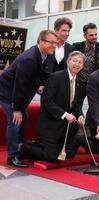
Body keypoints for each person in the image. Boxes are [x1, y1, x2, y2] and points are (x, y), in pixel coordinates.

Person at [0, 30, 58, 167]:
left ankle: (20, 150)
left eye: (55, 42)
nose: (54, 45)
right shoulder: (29, 58)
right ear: (41, 42)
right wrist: (16, 109)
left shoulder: (47, 54)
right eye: (51, 42)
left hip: (19, 92)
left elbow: (41, 74)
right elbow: (19, 85)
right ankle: (12, 156)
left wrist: (40, 85)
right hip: (7, 92)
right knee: (15, 121)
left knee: (23, 117)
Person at [19, 51, 85, 162]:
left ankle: (40, 146)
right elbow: (46, 101)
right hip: (50, 125)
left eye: (80, 62)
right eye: (74, 61)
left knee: (68, 154)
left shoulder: (79, 81)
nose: (77, 64)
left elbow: (77, 105)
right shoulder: (56, 77)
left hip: (65, 127)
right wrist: (64, 114)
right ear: (68, 62)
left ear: (83, 66)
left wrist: (81, 115)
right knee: (51, 157)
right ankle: (24, 148)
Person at [73, 22, 99, 106]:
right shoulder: (76, 47)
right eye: (91, 35)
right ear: (85, 36)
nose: (94, 37)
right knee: (76, 106)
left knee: (95, 106)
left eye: (95, 34)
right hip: (79, 83)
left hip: (94, 84)